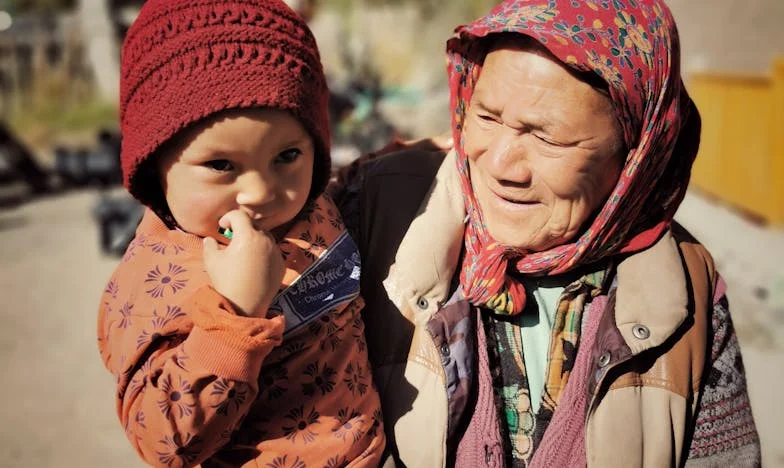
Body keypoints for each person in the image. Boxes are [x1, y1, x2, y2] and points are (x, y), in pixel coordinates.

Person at [333, 0, 761, 466]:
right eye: (487, 116)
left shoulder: (682, 289)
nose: (498, 165)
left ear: (635, 153)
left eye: (546, 137)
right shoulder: (373, 211)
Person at [96, 1, 384, 466]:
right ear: (155, 166)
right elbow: (165, 442)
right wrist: (235, 317)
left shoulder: (312, 204)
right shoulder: (155, 280)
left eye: (287, 156)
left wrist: (413, 153)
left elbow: (352, 185)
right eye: (221, 165)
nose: (259, 192)